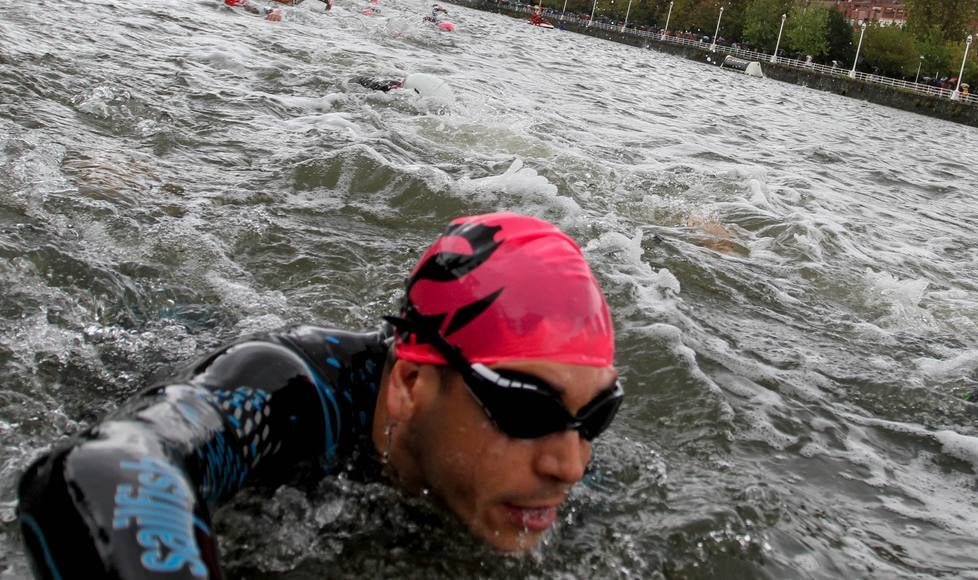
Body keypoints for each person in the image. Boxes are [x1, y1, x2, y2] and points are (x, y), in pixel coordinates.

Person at [17, 213, 622, 578]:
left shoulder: (567, 479)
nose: (568, 465)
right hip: (127, 355)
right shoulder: (288, 395)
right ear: (412, 382)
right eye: (524, 409)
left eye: (596, 416)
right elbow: (105, 469)